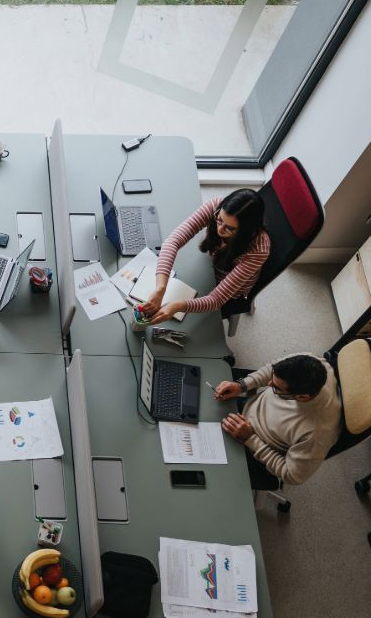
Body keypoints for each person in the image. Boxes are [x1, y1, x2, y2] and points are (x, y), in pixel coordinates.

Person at [143, 189, 269, 324]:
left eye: (230, 228)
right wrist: (160, 288)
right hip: (211, 266)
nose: (219, 229)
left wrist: (177, 306)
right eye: (219, 220)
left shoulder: (258, 251)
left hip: (227, 288)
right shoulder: (216, 206)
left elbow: (216, 300)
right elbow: (172, 242)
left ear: (245, 230)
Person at [213, 354, 341, 486]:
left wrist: (250, 439)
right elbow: (271, 369)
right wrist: (242, 386)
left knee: (206, 471)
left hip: (253, 448)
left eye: (276, 388)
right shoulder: (312, 360)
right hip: (246, 409)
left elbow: (293, 476)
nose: (269, 384)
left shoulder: (317, 433)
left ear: (302, 397)